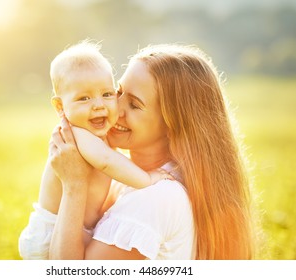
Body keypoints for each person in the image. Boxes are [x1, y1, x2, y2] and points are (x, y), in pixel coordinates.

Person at [19, 42, 254, 260]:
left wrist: (74, 185)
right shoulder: (133, 181)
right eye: (118, 92)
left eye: (134, 104)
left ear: (173, 125)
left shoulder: (155, 196)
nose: (112, 108)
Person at [18, 41, 171, 259]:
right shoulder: (78, 136)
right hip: (50, 233)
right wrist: (148, 178)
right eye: (84, 98)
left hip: (80, 228)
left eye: (108, 94)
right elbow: (108, 161)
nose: (98, 105)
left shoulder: (96, 131)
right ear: (60, 107)